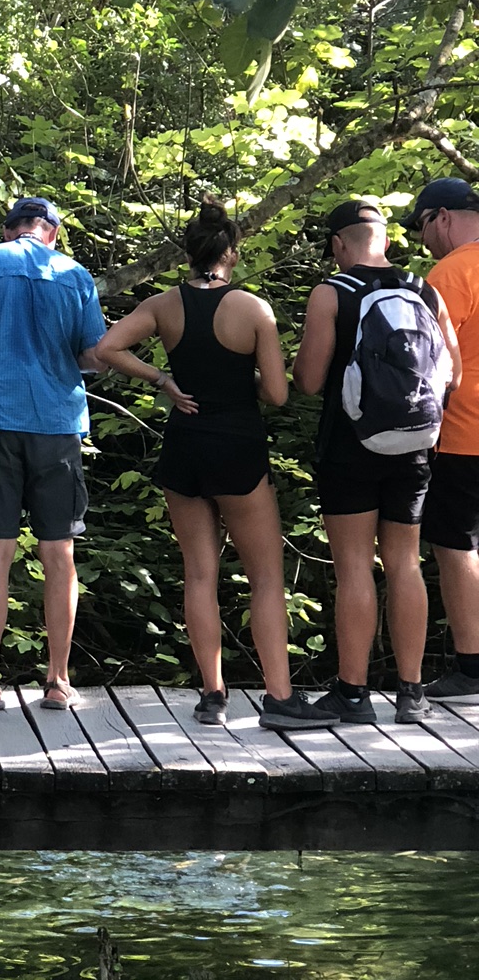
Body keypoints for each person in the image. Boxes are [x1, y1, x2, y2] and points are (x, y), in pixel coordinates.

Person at [94, 203, 319, 726]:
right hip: (237, 447)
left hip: (185, 444)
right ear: (231, 253)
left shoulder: (164, 304)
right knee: (266, 579)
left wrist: (162, 380)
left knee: (199, 574)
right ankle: (280, 697)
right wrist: (244, 380)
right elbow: (278, 394)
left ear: (189, 254)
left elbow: (108, 347)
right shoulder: (253, 309)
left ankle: (212, 694)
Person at [294, 198, 456, 723]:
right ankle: (412, 692)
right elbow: (451, 372)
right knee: (406, 563)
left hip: (350, 447)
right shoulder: (424, 289)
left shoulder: (332, 292)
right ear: (385, 239)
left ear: (338, 244)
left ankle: (353, 693)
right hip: (415, 446)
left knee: (354, 568)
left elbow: (309, 381)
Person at [0, 196, 105, 713]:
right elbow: (94, 354)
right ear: (51, 233)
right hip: (57, 425)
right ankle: (57, 681)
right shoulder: (75, 274)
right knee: (60, 552)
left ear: (8, 229)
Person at [409, 176, 479, 703]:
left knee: (458, 546)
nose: (422, 239)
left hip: (464, 433)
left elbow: (430, 361)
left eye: (422, 226)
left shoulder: (452, 273)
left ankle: (472, 669)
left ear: (444, 218)